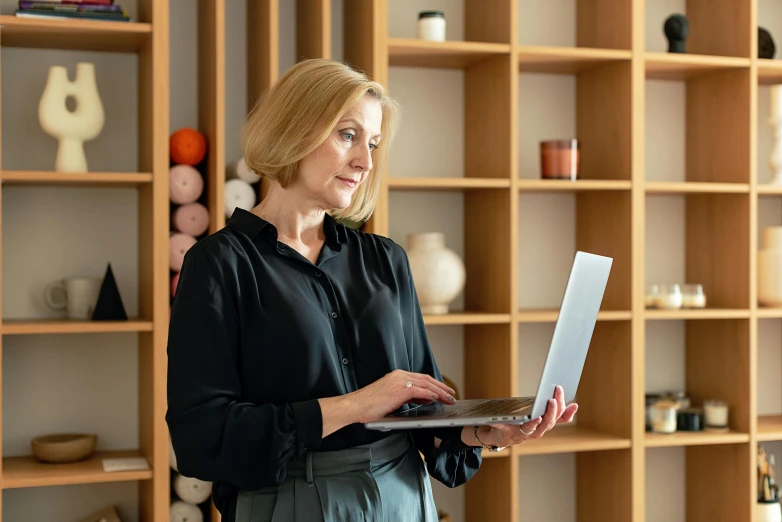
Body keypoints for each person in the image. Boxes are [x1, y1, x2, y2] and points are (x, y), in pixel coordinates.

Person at [165, 58, 578, 522]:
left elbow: (423, 411)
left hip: (403, 494)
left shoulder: (386, 260)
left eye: (373, 143)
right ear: (293, 128)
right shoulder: (218, 265)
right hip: (291, 500)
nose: (364, 161)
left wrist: (485, 433)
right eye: (347, 135)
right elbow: (202, 437)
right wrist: (355, 406)